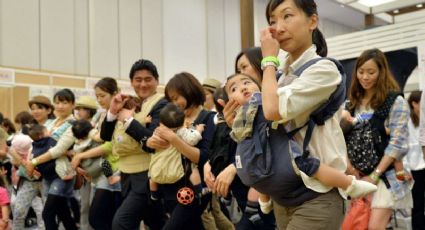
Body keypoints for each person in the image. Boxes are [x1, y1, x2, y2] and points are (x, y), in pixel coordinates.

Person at [254, 0, 351, 228]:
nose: (279, 27)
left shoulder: (324, 69)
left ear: (312, 21)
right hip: (284, 192)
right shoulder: (279, 75)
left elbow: (272, 110)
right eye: (272, 21)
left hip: (319, 194)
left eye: (287, 16)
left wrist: (268, 59)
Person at [341, 48, 412, 229]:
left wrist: (374, 176)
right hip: (355, 177)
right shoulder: (350, 104)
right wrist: (349, 168)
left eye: (371, 72)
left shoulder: (395, 101)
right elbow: (339, 137)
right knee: (358, 223)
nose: (365, 77)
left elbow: (397, 144)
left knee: (374, 227)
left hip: (385, 177)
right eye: (361, 72)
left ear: (381, 72)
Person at [100, 59, 167, 230]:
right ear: (131, 82)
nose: (143, 84)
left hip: (148, 174)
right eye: (138, 80)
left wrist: (128, 121)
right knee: (156, 222)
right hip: (127, 174)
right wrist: (112, 112)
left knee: (121, 223)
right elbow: (106, 136)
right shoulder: (132, 104)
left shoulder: (162, 104)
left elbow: (152, 142)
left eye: (148, 79)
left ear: (157, 81)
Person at [147, 72, 216, 229]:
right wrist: (151, 143)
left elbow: (203, 157)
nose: (174, 103)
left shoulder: (208, 118)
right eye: (171, 99)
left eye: (177, 97)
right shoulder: (171, 118)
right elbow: (155, 146)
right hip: (169, 185)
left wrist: (173, 138)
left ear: (189, 91)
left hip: (195, 188)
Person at [71, 77, 122, 230]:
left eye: (102, 95)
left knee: (103, 217)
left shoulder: (121, 115)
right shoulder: (102, 116)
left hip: (118, 170)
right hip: (103, 170)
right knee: (101, 217)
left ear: (115, 94)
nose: (99, 99)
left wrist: (80, 156)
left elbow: (109, 145)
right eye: (97, 96)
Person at [23, 89, 78, 230]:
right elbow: (34, 144)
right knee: (63, 212)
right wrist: (31, 164)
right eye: (57, 102)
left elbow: (58, 150)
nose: (60, 106)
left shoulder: (74, 124)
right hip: (47, 173)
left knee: (47, 213)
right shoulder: (50, 123)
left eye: (65, 102)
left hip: (62, 173)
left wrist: (34, 162)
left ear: (73, 104)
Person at [406, 90, 425, 230]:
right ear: (414, 104)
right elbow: (403, 148)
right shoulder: (408, 122)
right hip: (415, 168)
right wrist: (406, 170)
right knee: (417, 203)